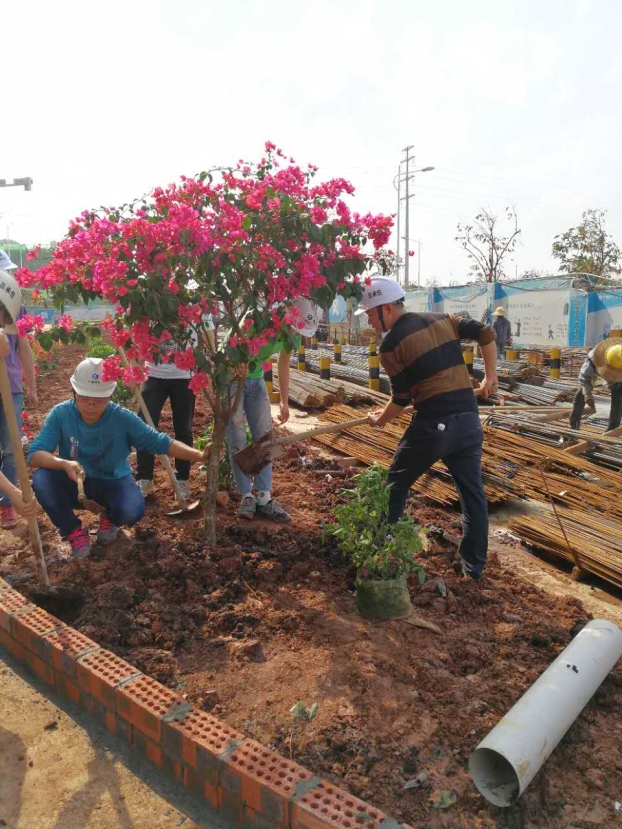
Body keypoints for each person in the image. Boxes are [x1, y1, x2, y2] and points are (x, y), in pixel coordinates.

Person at [357, 276, 498, 581]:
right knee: (473, 496)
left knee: (394, 484)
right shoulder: (443, 319)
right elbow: (485, 332)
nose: (369, 319)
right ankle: (472, 567)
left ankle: (383, 555)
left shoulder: (390, 346)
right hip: (469, 422)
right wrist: (491, 377)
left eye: (370, 313)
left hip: (435, 425)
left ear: (386, 308)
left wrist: (380, 420)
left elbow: (402, 398)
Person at [28, 357, 210, 558]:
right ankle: (73, 531)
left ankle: (112, 517)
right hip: (74, 481)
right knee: (42, 479)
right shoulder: (61, 414)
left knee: (132, 509)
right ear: (74, 393)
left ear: (109, 396)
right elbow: (35, 454)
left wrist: (200, 456)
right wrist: (63, 463)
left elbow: (160, 442)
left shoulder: (122, 418)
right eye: (84, 399)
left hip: (112, 481)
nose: (90, 406)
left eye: (98, 401)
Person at [227, 297, 319, 522]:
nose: (297, 334)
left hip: (256, 379)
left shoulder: (292, 336)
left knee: (265, 438)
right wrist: (236, 362)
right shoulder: (259, 318)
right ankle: (246, 496)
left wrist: (285, 401)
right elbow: (232, 338)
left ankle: (264, 497)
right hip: (233, 379)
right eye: (296, 328)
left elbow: (283, 363)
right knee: (237, 436)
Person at [135, 319, 214, 498]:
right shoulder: (149, 297)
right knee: (144, 425)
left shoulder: (194, 299)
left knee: (183, 429)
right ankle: (144, 479)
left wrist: (209, 361)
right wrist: (135, 367)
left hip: (184, 375)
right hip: (153, 374)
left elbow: (208, 329)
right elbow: (135, 331)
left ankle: (183, 480)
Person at [0, 260, 38, 529]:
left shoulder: (14, 307)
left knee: (12, 450)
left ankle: (6, 504)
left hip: (9, 387)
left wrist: (31, 386)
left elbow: (23, 347)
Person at [569, 337, 622, 432]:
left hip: (618, 376)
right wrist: (588, 394)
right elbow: (584, 377)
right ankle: (574, 426)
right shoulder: (593, 358)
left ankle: (612, 430)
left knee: (618, 399)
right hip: (593, 375)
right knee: (580, 395)